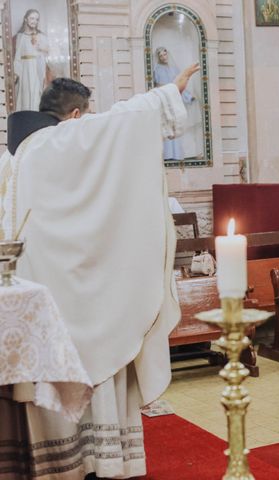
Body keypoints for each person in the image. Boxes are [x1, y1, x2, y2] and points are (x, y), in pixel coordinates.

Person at [0, 65, 199, 478]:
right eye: (88, 115)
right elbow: (125, 120)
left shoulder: (14, 154)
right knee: (104, 336)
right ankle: (100, 461)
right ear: (76, 115)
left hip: (31, 298)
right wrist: (168, 92)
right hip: (74, 298)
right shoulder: (64, 139)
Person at [153, 46, 196, 162]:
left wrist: (188, 96)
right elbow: (157, 85)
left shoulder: (174, 69)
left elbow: (180, 85)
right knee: (166, 125)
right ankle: (167, 155)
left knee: (175, 125)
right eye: (161, 56)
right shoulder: (157, 70)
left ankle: (176, 154)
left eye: (164, 54)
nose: (163, 57)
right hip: (164, 100)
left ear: (168, 54)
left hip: (174, 99)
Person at [13, 9, 49, 111]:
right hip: (24, 70)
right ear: (26, 19)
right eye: (32, 18)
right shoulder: (20, 37)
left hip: (37, 68)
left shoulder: (41, 36)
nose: (34, 21)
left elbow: (48, 52)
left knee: (36, 93)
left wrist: (39, 46)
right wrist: (16, 73)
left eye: (36, 19)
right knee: (25, 94)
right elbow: (18, 56)